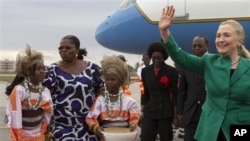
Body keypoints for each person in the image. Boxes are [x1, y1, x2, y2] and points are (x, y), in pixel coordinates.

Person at [159, 6, 250, 141]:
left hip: (240, 128)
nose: (220, 39)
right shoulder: (209, 62)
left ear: (240, 41)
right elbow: (181, 57)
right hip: (210, 129)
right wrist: (164, 31)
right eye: (218, 36)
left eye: (226, 35)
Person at [43, 35, 104, 141]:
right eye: (60, 48)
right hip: (61, 125)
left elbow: (101, 91)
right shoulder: (52, 70)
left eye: (67, 48)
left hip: (89, 124)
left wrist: (97, 113)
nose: (63, 51)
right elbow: (45, 97)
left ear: (77, 50)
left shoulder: (93, 69)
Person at [85, 55, 140, 141]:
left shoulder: (129, 101)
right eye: (107, 79)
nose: (109, 82)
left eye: (113, 79)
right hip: (105, 135)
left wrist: (133, 125)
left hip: (125, 136)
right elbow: (90, 118)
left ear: (120, 81)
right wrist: (96, 128)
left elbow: (134, 119)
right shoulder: (101, 100)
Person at [5, 45, 53, 141]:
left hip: (39, 135)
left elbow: (47, 114)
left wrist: (46, 131)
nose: (42, 72)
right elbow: (15, 115)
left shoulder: (44, 91)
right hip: (22, 136)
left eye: (43, 68)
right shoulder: (19, 90)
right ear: (27, 71)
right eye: (38, 69)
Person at [140, 42, 178, 141]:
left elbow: (175, 94)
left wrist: (176, 114)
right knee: (146, 137)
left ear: (164, 57)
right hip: (150, 109)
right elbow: (145, 91)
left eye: (159, 58)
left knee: (166, 138)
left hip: (165, 111)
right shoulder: (145, 71)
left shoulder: (171, 71)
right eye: (154, 58)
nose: (156, 60)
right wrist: (142, 107)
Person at [177, 35, 208, 141]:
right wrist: (180, 112)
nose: (197, 48)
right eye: (194, 46)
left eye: (200, 45)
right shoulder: (186, 66)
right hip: (190, 113)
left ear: (207, 47)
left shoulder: (213, 64)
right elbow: (182, 91)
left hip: (207, 114)